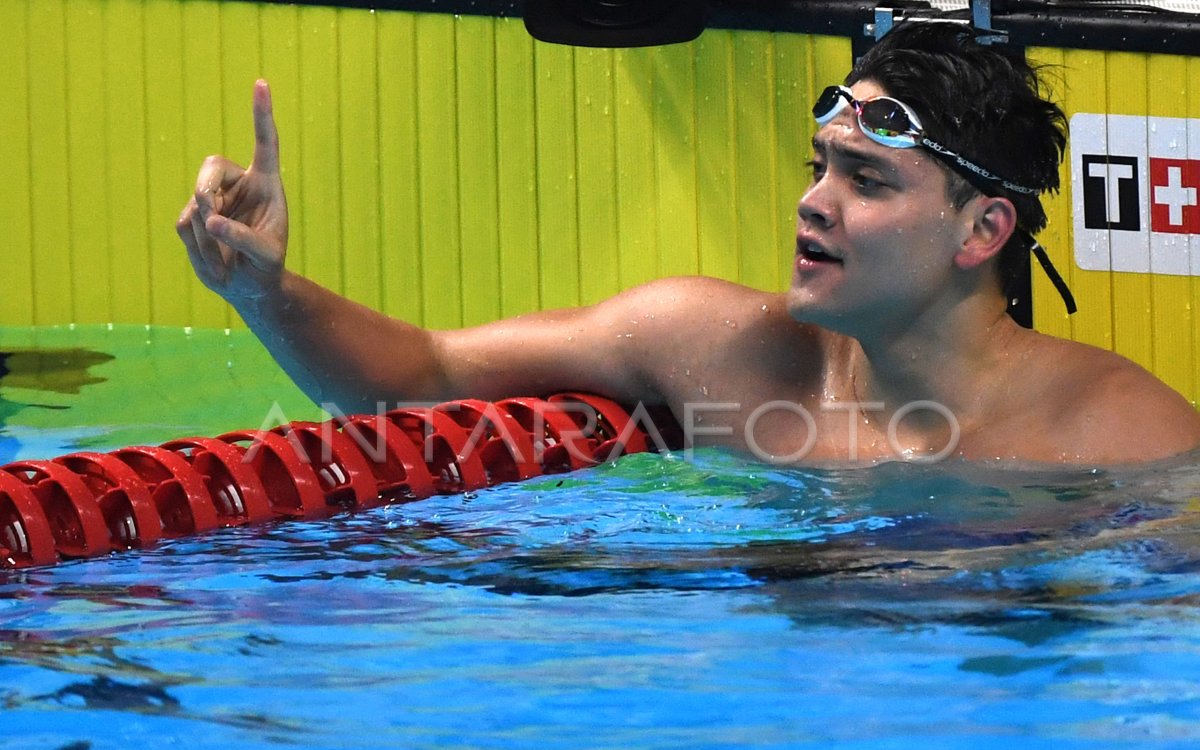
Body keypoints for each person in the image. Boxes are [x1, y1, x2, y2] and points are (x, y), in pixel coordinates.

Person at [177, 21, 1200, 466]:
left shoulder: (1114, 429)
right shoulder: (714, 346)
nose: (815, 204)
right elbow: (427, 372)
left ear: (984, 230)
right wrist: (266, 292)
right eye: (818, 167)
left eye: (867, 179)